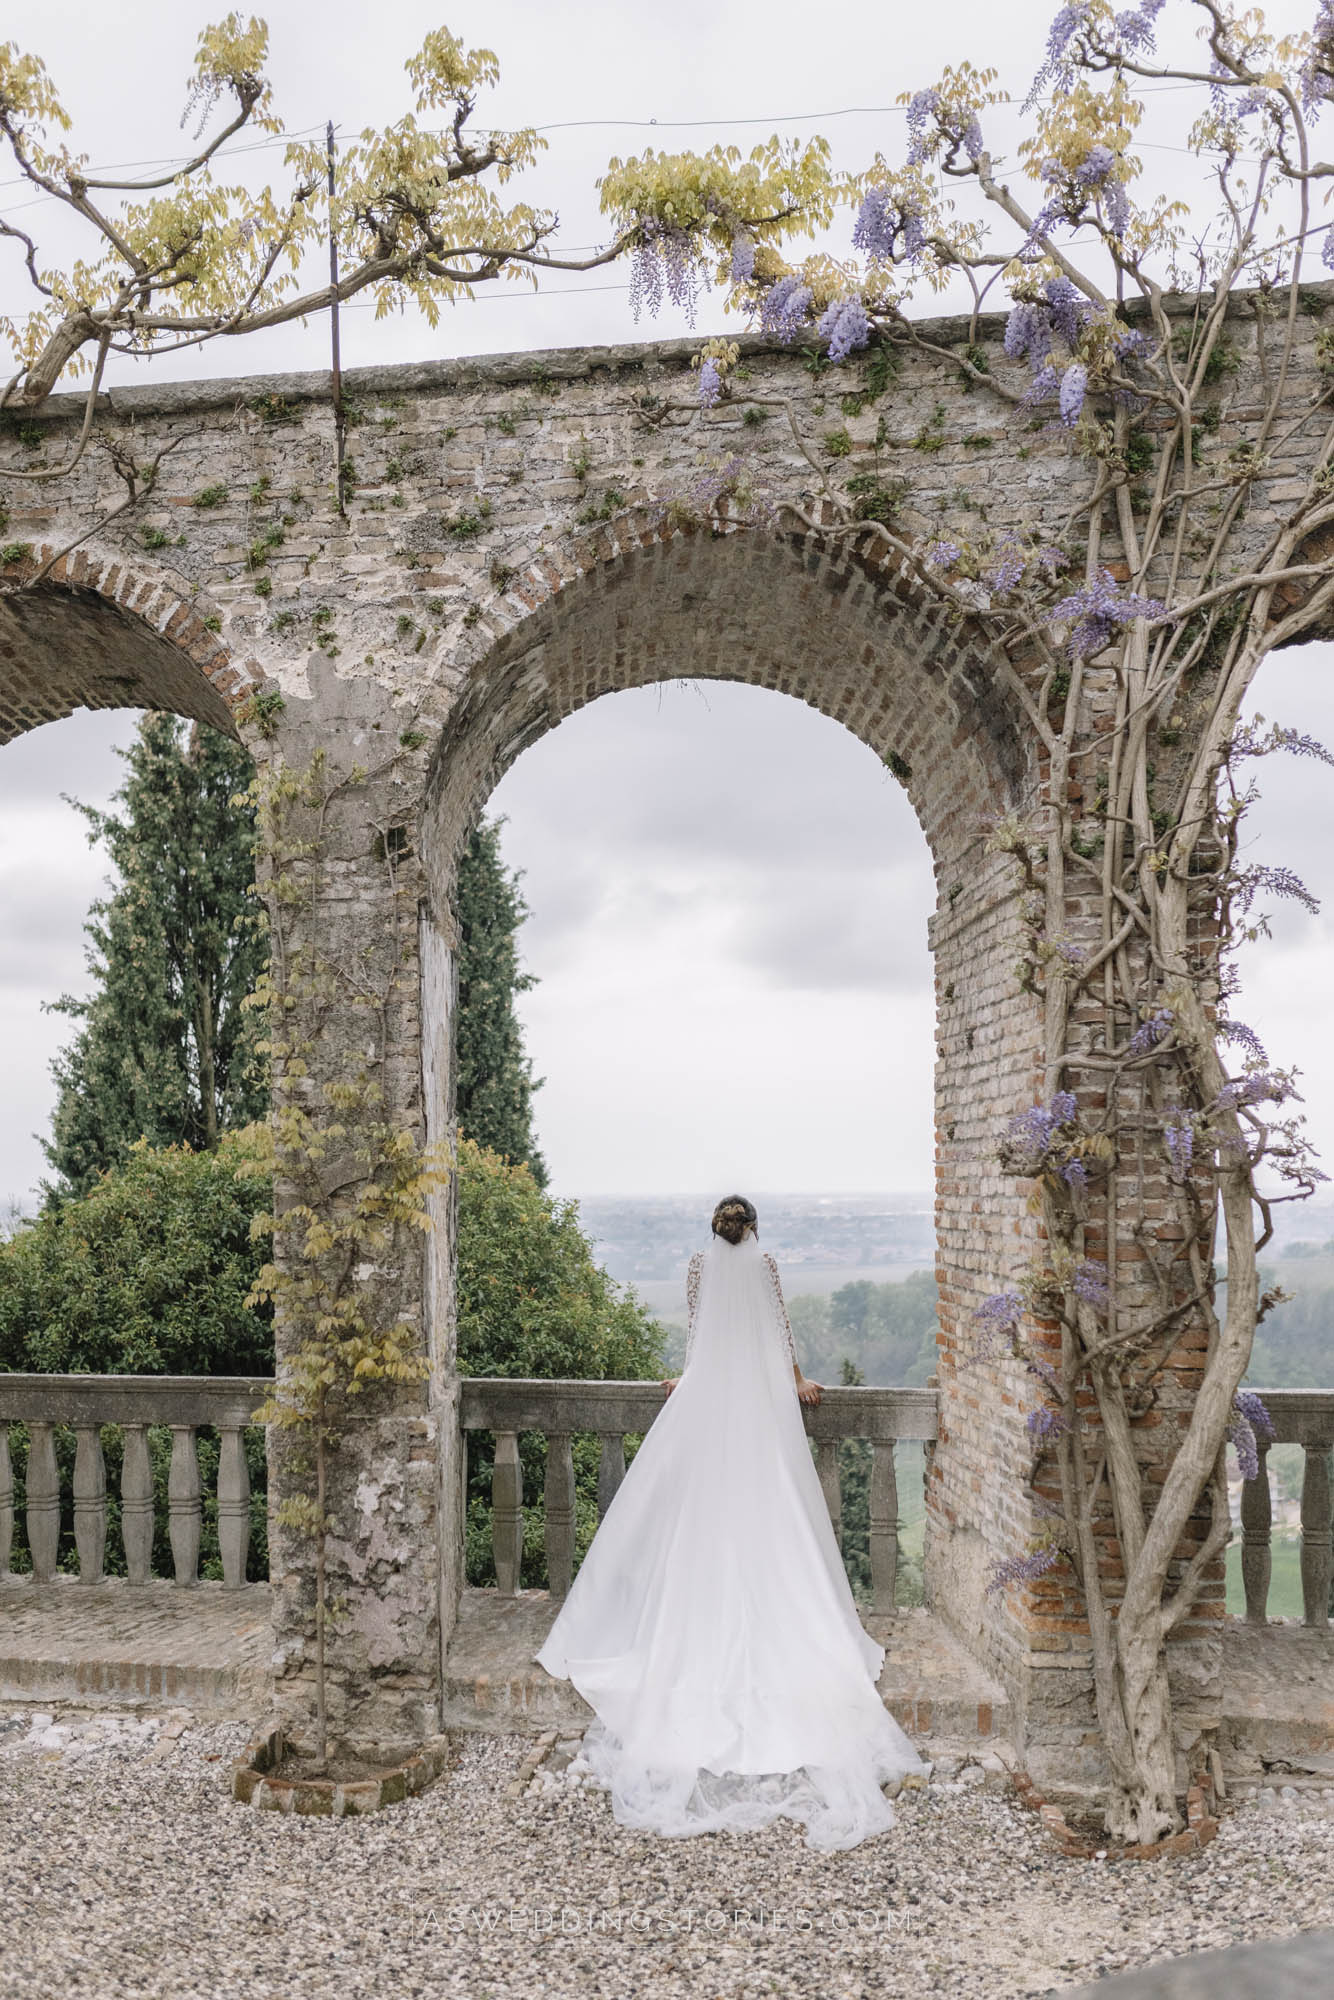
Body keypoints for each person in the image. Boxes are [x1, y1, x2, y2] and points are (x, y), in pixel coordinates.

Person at [534, 1194, 925, 1852]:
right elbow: (780, 1333)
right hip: (761, 1409)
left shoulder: (694, 1270)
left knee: (701, 1522)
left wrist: (688, 1380)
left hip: (713, 1403)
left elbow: (697, 1334)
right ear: (754, 1231)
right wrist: (798, 1381)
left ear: (714, 1232)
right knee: (776, 1519)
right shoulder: (767, 1266)